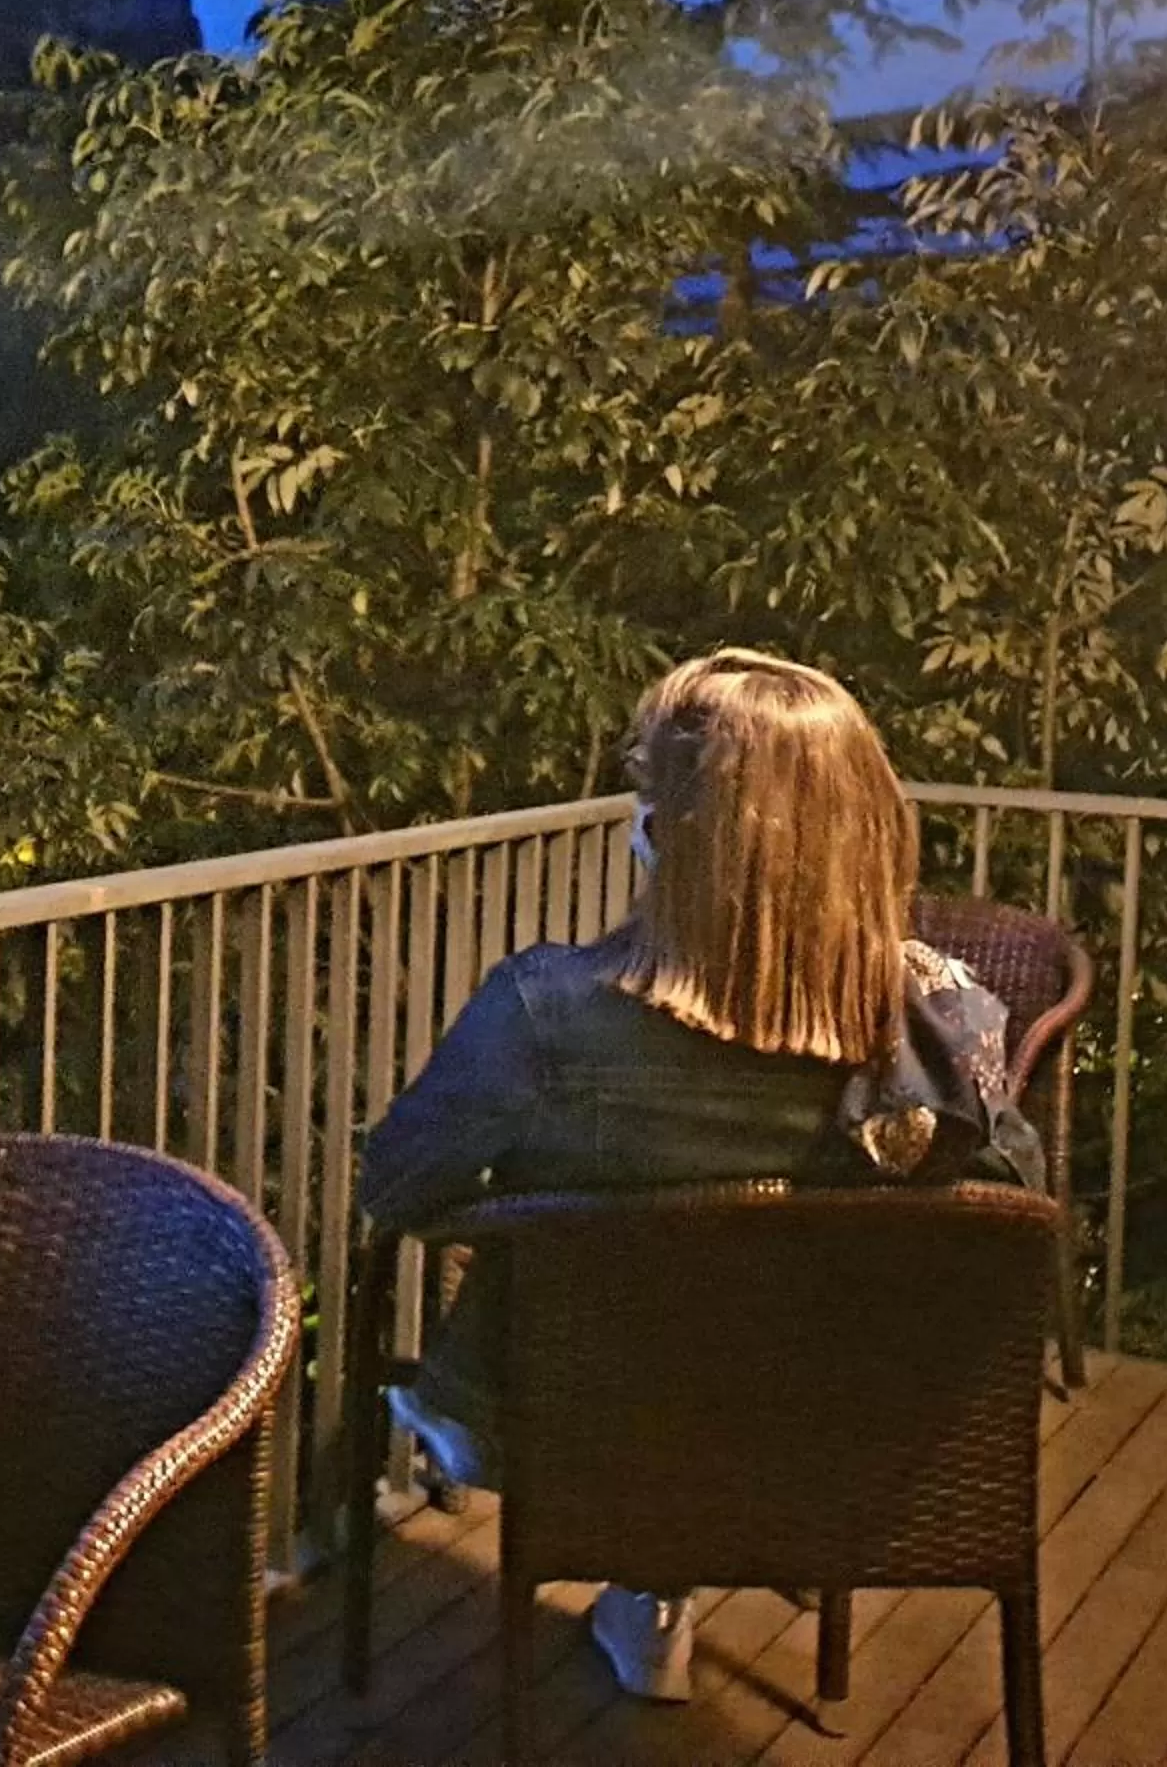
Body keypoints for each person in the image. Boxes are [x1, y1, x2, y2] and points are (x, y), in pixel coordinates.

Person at [356, 647, 1046, 1704]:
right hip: (843, 1436)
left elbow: (397, 1185)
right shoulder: (947, 1023)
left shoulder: (546, 1012)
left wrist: (515, 1212)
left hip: (601, 1432)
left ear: (661, 833)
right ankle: (679, 1583)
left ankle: (641, 1571)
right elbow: (1010, 1222)